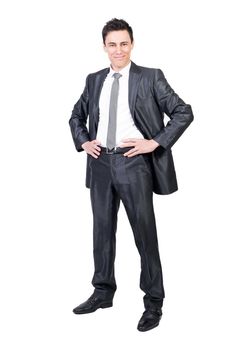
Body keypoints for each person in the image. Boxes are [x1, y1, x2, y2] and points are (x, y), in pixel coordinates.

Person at [69, 18, 194, 332]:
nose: (118, 50)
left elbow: (183, 111)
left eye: (124, 43)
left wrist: (155, 142)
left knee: (144, 234)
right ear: (104, 47)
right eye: (112, 44)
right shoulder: (94, 79)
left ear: (132, 44)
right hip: (99, 164)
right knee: (102, 232)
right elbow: (76, 115)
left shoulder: (150, 77)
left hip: (133, 163)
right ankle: (103, 291)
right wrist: (83, 140)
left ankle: (153, 302)